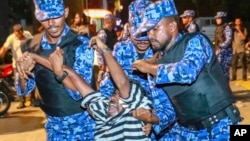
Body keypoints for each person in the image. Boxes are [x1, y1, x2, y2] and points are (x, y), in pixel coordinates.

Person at [132, 0, 242, 140]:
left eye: (155, 29)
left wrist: (149, 68)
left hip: (223, 127)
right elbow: (168, 110)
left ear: (172, 26)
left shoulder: (196, 41)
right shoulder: (156, 64)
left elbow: (187, 71)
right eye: (147, 31)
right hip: (190, 133)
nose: (150, 36)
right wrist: (152, 118)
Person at [15, 0, 95, 140]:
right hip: (54, 127)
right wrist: (22, 72)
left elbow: (81, 94)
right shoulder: (31, 46)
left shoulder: (80, 44)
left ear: (65, 12)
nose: (51, 23)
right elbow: (24, 90)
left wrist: (40, 60)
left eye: (56, 16)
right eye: (45, 18)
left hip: (84, 125)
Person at [100, 0, 176, 140]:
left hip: (162, 129)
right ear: (128, 28)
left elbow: (173, 104)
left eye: (146, 32)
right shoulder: (120, 50)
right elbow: (108, 83)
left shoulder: (164, 53)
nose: (142, 40)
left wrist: (153, 119)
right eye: (137, 33)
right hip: (129, 125)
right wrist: (108, 103)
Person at [0, 24, 33, 109]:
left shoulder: (27, 34)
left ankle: (28, 99)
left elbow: (33, 44)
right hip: (17, 64)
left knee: (28, 80)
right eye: (18, 32)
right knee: (18, 82)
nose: (20, 33)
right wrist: (1, 55)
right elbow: (4, 48)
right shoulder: (11, 38)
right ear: (14, 32)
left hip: (28, 62)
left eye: (21, 31)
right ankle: (21, 101)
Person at [95, 13, 118, 87]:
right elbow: (99, 49)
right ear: (111, 21)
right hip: (106, 66)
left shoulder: (113, 33)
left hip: (112, 64)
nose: (115, 22)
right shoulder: (103, 33)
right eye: (114, 20)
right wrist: (102, 65)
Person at [214, 11, 233, 82]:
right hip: (219, 52)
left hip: (225, 52)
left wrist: (221, 47)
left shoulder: (227, 27)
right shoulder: (218, 28)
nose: (217, 20)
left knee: (224, 72)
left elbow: (228, 40)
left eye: (219, 18)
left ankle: (226, 90)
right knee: (219, 71)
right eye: (216, 18)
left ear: (223, 18)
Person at [231, 17, 248, 81]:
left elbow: (244, 38)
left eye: (239, 21)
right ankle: (233, 77)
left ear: (241, 22)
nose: (237, 22)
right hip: (235, 49)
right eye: (236, 21)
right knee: (234, 64)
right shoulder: (233, 29)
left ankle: (244, 77)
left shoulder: (244, 29)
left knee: (243, 63)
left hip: (241, 49)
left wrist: (239, 30)